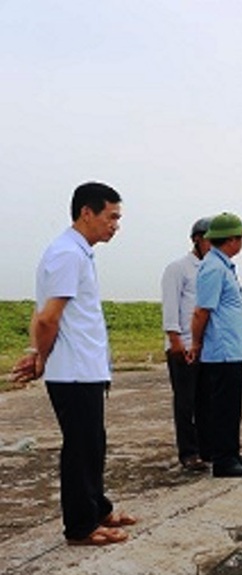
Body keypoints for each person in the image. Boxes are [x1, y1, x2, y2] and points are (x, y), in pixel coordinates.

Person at [10, 182, 136, 546]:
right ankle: (81, 526)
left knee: (93, 442)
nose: (115, 225)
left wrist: (37, 353)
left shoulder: (77, 253)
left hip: (85, 367)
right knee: (81, 446)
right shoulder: (67, 254)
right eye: (111, 217)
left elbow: (44, 315)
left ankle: (98, 508)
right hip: (73, 370)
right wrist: (41, 358)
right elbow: (48, 317)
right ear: (87, 212)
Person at [189, 212, 242, 478]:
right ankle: (223, 460)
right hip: (222, 350)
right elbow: (201, 312)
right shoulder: (213, 268)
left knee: (232, 407)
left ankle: (231, 452)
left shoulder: (223, 265)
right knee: (223, 408)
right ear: (230, 240)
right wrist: (196, 343)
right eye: (240, 238)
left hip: (232, 350)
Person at [161, 217, 212, 472]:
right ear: (197, 240)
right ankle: (189, 452)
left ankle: (205, 447)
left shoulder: (212, 269)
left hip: (205, 345)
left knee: (205, 400)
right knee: (185, 401)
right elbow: (171, 307)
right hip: (183, 344)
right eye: (210, 240)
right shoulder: (178, 268)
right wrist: (175, 341)